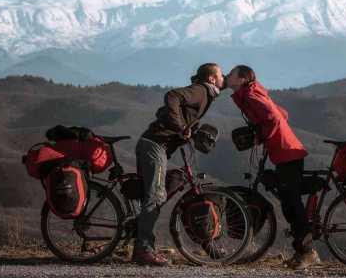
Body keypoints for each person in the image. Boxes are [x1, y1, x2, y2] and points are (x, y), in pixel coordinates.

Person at [225, 65, 317, 269]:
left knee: (291, 203)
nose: (227, 77)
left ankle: (308, 251)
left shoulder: (250, 96)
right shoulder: (252, 92)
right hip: (286, 150)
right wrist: (266, 135)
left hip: (286, 152)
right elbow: (282, 113)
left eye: (231, 74)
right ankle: (302, 250)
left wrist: (262, 135)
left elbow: (275, 117)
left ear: (241, 79)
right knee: (287, 201)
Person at [132, 63, 225, 266]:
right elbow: (173, 96)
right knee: (155, 196)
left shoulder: (207, 92)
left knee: (158, 192)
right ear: (211, 79)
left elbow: (226, 84)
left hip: (159, 145)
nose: (223, 77)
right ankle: (143, 250)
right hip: (155, 144)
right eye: (221, 75)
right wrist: (180, 127)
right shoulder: (201, 91)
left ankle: (139, 237)